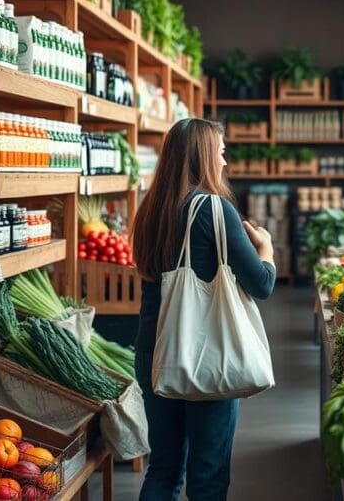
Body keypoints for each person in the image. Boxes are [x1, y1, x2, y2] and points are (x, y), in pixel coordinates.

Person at [132, 118, 276, 501]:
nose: (225, 162)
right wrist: (266, 250)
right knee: (207, 474)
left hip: (153, 350)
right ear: (205, 157)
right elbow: (261, 284)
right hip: (205, 352)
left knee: (163, 469)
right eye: (221, 152)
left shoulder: (149, 210)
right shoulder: (214, 209)